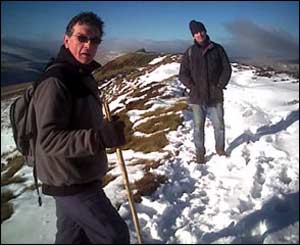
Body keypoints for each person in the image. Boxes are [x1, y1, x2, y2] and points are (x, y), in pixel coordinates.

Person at [32, 12, 130, 243]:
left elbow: (77, 121)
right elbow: (47, 140)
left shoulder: (80, 75)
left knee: (72, 239)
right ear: (67, 40)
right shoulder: (55, 82)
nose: (88, 45)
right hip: (70, 178)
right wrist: (100, 138)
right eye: (82, 38)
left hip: (75, 173)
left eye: (94, 40)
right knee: (114, 235)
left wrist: (104, 128)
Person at [179, 20, 232, 164]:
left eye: (201, 31)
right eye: (196, 32)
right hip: (197, 97)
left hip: (215, 95)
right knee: (198, 128)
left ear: (205, 31)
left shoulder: (218, 49)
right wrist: (192, 86)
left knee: (219, 126)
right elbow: (183, 74)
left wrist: (220, 85)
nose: (199, 34)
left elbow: (227, 69)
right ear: (193, 35)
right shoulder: (189, 52)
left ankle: (220, 150)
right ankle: (200, 154)